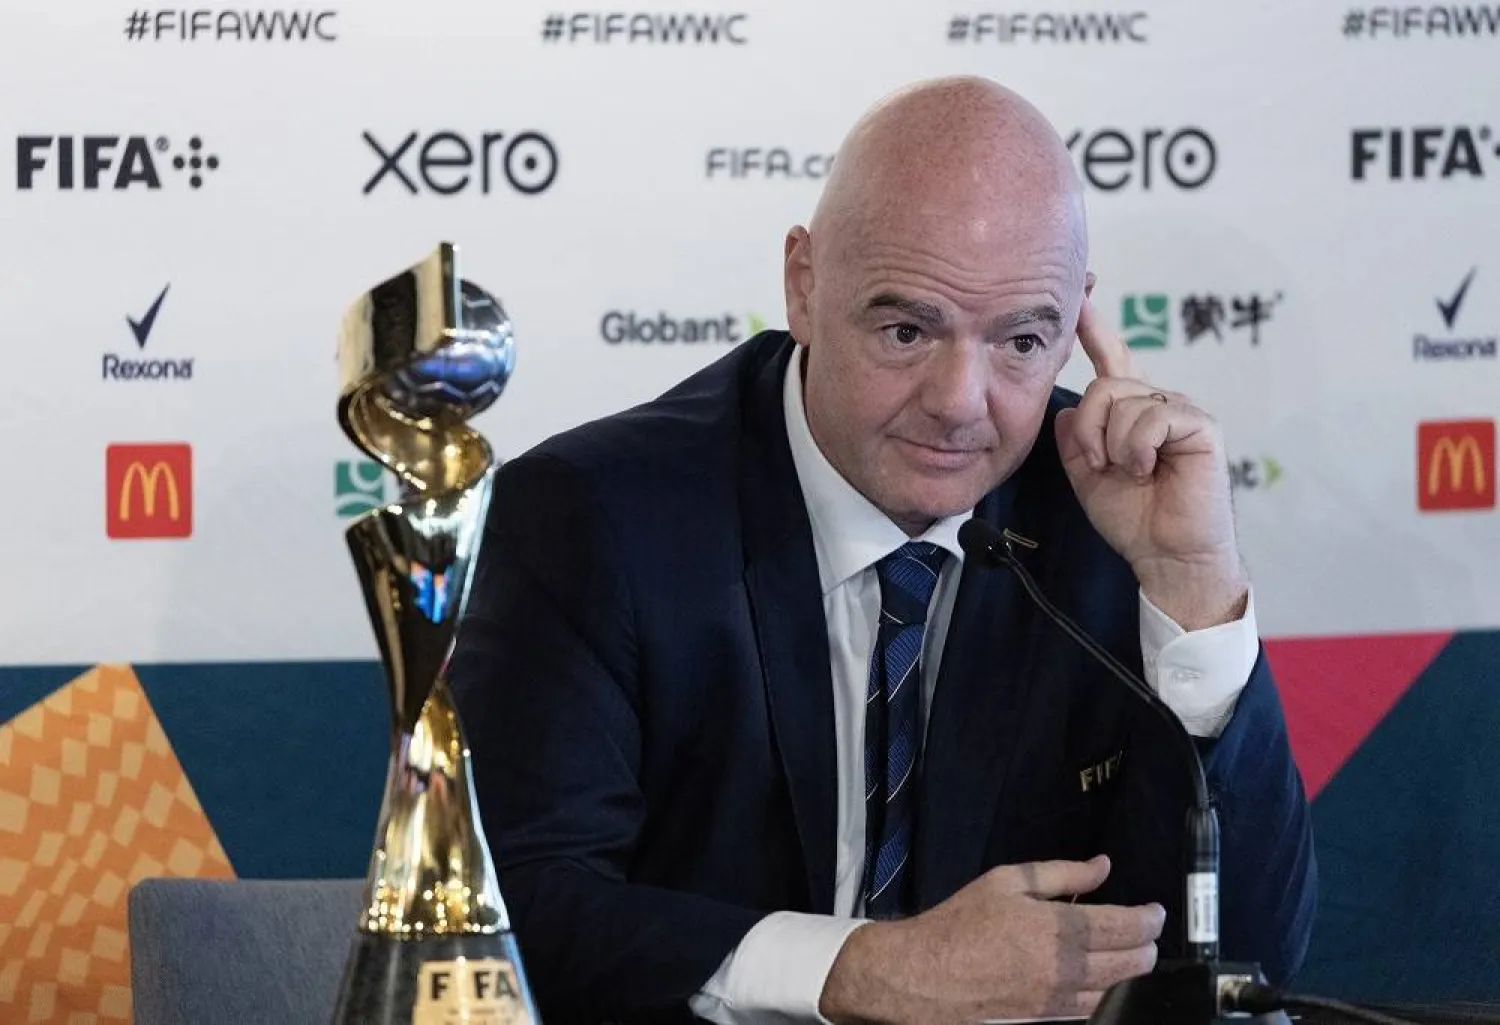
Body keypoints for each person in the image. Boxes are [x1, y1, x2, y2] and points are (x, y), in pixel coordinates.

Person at [448, 75, 1317, 1025]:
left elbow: (1243, 962)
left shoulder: (1111, 512)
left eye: (1023, 340)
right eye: (908, 329)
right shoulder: (595, 517)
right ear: (805, 286)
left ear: (1078, 323)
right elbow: (511, 915)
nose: (960, 399)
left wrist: (1192, 589)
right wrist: (866, 969)